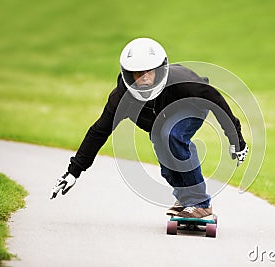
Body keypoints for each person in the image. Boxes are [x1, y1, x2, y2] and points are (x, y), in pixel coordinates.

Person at [50, 37, 249, 218]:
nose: (144, 77)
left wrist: (237, 140)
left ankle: (200, 203)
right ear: (128, 74)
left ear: (160, 70)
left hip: (190, 108)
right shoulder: (122, 99)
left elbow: (216, 102)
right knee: (164, 152)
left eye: (149, 72)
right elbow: (99, 131)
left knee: (171, 134)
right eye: (138, 73)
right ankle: (185, 199)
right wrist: (73, 172)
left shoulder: (183, 83)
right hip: (160, 123)